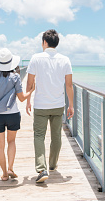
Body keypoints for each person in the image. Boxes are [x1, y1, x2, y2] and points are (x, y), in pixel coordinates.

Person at [26, 29, 74, 183]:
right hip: (58, 104)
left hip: (41, 104)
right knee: (56, 136)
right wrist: (71, 105)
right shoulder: (65, 60)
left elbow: (29, 82)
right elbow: (69, 85)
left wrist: (27, 100)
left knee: (39, 135)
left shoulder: (35, 58)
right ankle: (52, 165)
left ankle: (42, 168)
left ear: (45, 42)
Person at [0, 48, 34, 181]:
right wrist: (31, 91)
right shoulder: (15, 77)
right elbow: (21, 98)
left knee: (0, 145)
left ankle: (4, 174)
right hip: (12, 114)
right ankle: (10, 168)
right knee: (11, 141)